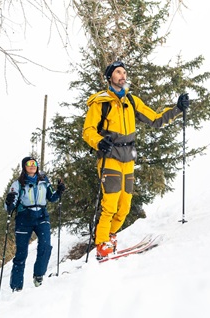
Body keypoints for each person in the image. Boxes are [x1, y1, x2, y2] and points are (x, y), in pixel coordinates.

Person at [82, 61, 190, 259]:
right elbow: (88, 130)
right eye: (118, 72)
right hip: (110, 157)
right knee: (110, 204)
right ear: (110, 77)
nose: (122, 75)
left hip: (128, 159)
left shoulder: (132, 101)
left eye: (124, 71)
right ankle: (101, 244)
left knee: (124, 207)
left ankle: (110, 236)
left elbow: (156, 119)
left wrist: (177, 109)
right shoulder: (101, 102)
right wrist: (99, 142)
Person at [4, 156, 65, 291]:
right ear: (24, 167)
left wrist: (59, 191)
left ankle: (38, 276)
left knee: (45, 246)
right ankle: (16, 287)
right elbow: (9, 205)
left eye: (34, 163)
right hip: (24, 218)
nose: (32, 165)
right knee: (21, 254)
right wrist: (9, 202)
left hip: (42, 216)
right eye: (29, 163)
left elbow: (52, 197)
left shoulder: (44, 180)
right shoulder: (18, 184)